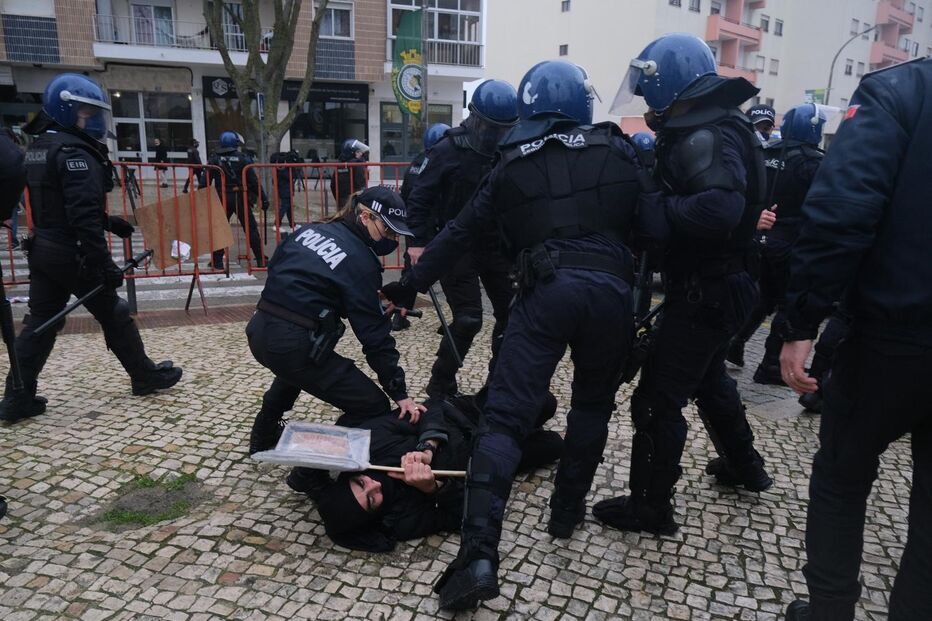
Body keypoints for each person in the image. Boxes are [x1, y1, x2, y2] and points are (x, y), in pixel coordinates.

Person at [383, 60, 649, 610]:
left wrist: (410, 286)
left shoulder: (510, 162)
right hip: (609, 294)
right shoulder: (620, 151)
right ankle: (566, 513)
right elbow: (655, 233)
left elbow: (459, 234)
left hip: (545, 291)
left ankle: (479, 555)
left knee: (504, 418)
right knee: (592, 407)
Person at [592, 34, 772, 538]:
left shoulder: (704, 134)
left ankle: (650, 509)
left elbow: (718, 209)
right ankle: (745, 466)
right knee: (710, 379)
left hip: (707, 290)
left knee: (656, 398)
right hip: (724, 283)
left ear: (666, 81)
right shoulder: (719, 124)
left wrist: (657, 211)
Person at [779, 58, 932, 621]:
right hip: (891, 331)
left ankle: (829, 611)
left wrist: (799, 325)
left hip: (889, 337)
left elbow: (842, 212)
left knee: (842, 479)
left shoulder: (901, 90)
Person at [0, 73, 182, 424]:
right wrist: (103, 264)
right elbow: (81, 214)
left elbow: (61, 204)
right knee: (113, 312)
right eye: (86, 112)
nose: (93, 120)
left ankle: (17, 395)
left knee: (40, 321)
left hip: (45, 247)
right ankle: (144, 375)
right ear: (66, 110)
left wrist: (108, 221)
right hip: (71, 253)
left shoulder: (41, 146)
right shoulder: (74, 152)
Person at [246, 186, 425, 498]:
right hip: (292, 343)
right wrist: (400, 393)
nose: (393, 241)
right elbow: (374, 336)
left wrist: (345, 301)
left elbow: (284, 271)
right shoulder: (361, 261)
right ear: (364, 215)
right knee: (370, 405)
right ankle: (307, 473)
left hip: (260, 329)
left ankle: (262, 436)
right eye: (388, 230)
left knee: (298, 369)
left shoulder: (313, 230)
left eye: (398, 235)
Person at [315, 392, 564, 552]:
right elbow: (460, 517)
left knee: (544, 402)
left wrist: (427, 446)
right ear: (373, 516)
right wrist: (434, 489)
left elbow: (431, 406)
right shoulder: (401, 521)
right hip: (486, 454)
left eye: (360, 484)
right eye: (371, 499)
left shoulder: (368, 447)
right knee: (555, 445)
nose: (373, 486)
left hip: (464, 414)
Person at [404, 81, 519, 399]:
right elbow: (419, 197)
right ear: (476, 119)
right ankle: (441, 382)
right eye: (492, 127)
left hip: (496, 244)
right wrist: (417, 242)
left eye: (504, 129)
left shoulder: (510, 150)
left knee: (513, 315)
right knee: (468, 318)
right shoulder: (446, 149)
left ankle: (498, 383)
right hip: (456, 244)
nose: (497, 135)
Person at [726, 103, 826, 383]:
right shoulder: (813, 163)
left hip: (757, 236)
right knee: (784, 304)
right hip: (791, 243)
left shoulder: (765, 151)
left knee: (760, 299)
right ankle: (770, 367)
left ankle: (734, 342)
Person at [391, 122, 452, 333]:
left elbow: (405, 196)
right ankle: (454, 322)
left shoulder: (415, 164)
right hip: (434, 227)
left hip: (413, 228)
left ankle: (400, 315)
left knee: (410, 272)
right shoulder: (443, 163)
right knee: (447, 272)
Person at [207, 131, 268, 270]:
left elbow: (205, 182)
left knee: (220, 229)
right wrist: (263, 199)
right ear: (235, 143)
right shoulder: (243, 158)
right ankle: (260, 259)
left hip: (221, 197)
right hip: (240, 196)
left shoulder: (214, 159)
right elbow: (253, 182)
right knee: (250, 228)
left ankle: (217, 262)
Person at [330, 138, 368, 211]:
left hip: (342, 202)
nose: (361, 154)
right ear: (352, 153)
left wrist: (338, 199)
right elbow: (360, 183)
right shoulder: (357, 164)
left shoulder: (340, 165)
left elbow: (333, 185)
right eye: (358, 152)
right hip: (355, 201)